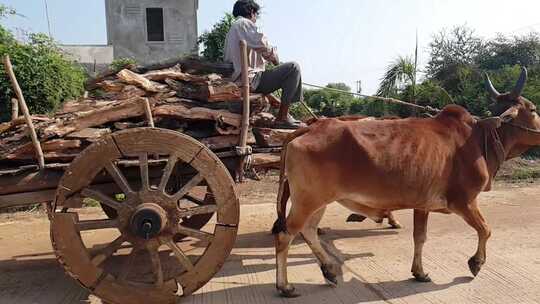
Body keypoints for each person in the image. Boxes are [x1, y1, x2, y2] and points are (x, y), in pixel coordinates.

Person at [224, 0, 304, 129]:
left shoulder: (234, 29)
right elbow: (265, 47)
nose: (256, 19)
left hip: (242, 79)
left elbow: (254, 63)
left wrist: (271, 96)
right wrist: (275, 58)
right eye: (256, 15)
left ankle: (284, 114)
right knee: (293, 68)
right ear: (251, 12)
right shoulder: (244, 24)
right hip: (247, 81)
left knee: (289, 70)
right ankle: (282, 117)